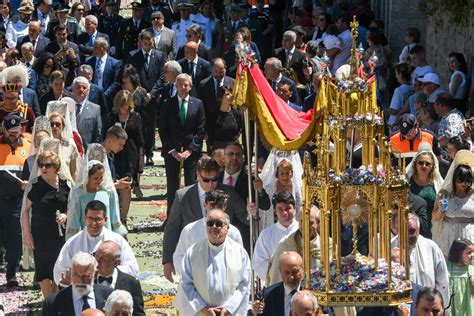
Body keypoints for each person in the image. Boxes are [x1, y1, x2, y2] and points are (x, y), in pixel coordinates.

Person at [162, 155, 250, 282]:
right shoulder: (183, 196)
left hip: (222, 262)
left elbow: (246, 217)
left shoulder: (228, 193)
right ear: (198, 175)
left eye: (214, 180)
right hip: (194, 262)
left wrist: (252, 212)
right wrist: (167, 261)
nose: (211, 184)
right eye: (206, 180)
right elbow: (172, 228)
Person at [173, 205, 251, 315]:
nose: (214, 227)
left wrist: (229, 308)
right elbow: (186, 283)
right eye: (210, 223)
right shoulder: (193, 252)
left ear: (227, 228)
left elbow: (244, 283)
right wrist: (204, 308)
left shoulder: (240, 253)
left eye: (218, 224)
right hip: (201, 312)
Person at [20, 140, 71, 298]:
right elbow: (25, 211)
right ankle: (49, 303)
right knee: (43, 270)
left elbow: (73, 207)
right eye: (41, 164)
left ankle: (54, 299)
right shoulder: (35, 185)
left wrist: (66, 215)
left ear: (56, 166)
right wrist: (27, 235)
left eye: (47, 165)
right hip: (40, 235)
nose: (43, 168)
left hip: (60, 235)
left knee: (59, 268)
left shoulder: (65, 185)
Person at [54, 200, 139, 286]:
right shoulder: (72, 243)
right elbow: (59, 272)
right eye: (90, 218)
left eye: (98, 219)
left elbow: (133, 269)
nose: (94, 223)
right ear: (85, 219)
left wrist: (108, 271)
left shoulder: (118, 240)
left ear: (105, 219)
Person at [158, 73, 205, 216]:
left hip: (191, 153)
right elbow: (163, 129)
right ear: (176, 86)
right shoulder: (168, 103)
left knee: (191, 184)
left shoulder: (198, 104)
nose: (183, 87)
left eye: (186, 85)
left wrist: (190, 150)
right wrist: (172, 151)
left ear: (190, 87)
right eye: (180, 84)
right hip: (172, 152)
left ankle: (191, 216)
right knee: (172, 186)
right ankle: (171, 217)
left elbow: (201, 129)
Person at [173, 191, 243, 275]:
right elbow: (179, 256)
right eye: (212, 206)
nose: (215, 209)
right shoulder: (190, 230)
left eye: (219, 206)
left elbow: (239, 259)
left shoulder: (233, 232)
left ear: (225, 206)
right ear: (205, 205)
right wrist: (192, 276)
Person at [66, 143, 125, 239]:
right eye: (95, 178)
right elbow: (75, 219)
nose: (99, 181)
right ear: (87, 177)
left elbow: (114, 216)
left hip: (106, 238)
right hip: (86, 239)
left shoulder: (108, 191)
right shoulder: (79, 194)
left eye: (101, 178)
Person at [393, 213, 450, 309]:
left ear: (418, 230)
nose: (409, 235)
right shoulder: (387, 247)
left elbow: (442, 281)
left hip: (427, 307)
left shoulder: (431, 247)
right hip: (398, 307)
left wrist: (443, 308)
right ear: (397, 230)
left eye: (412, 231)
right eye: (404, 230)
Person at [0, 113, 31, 287]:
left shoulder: (28, 146)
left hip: (17, 200)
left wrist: (29, 182)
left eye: (15, 130)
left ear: (21, 129)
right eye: (9, 130)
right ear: (3, 129)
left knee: (14, 237)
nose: (12, 134)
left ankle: (11, 273)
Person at [127, 30, 165, 165]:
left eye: (150, 43)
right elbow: (131, 75)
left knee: (150, 126)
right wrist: (142, 93)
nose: (148, 45)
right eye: (146, 43)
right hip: (138, 98)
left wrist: (152, 93)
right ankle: (138, 152)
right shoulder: (133, 55)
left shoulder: (159, 56)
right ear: (140, 42)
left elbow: (162, 76)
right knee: (139, 126)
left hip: (153, 98)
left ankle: (149, 153)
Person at [105, 90, 144, 220]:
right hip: (114, 156)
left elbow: (140, 139)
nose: (124, 107)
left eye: (126, 104)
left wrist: (141, 158)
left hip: (130, 156)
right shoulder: (111, 116)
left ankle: (123, 218)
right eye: (122, 104)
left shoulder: (136, 116)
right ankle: (114, 216)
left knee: (126, 186)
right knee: (115, 185)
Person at [267, 206, 324, 286]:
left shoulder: (328, 245)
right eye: (302, 221)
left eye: (310, 223)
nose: (305, 227)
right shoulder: (285, 245)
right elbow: (275, 278)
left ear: (318, 223)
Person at [43, 252, 114, 316]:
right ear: (71, 273)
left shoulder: (109, 297)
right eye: (76, 275)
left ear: (95, 274)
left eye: (85, 276)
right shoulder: (53, 303)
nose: (80, 280)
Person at [252, 192, 299, 284]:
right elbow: (259, 262)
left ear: (294, 208)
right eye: (280, 209)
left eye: (288, 208)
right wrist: (280, 275)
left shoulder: (303, 230)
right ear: (275, 211)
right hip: (276, 285)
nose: (285, 213)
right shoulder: (266, 234)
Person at [433, 158, 474, 257]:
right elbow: (435, 217)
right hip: (448, 236)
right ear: (454, 179)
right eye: (461, 180)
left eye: (468, 181)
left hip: (470, 236)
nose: (464, 184)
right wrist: (441, 209)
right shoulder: (445, 193)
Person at [95, 241, 144, 316]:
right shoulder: (88, 281)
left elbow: (138, 314)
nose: (97, 262)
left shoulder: (131, 283)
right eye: (96, 256)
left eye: (103, 259)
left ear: (116, 263)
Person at [260, 149, 303, 229]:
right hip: (274, 224)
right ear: (277, 175)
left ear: (292, 174)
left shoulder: (297, 189)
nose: (285, 176)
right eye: (282, 174)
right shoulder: (270, 188)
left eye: (287, 173)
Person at [406, 146, 444, 237]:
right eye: (421, 163)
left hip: (431, 226)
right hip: (410, 225)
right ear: (415, 164)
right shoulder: (407, 182)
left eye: (427, 164)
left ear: (432, 167)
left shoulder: (437, 184)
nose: (424, 166)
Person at [199, 58, 235, 150]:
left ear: (225, 69)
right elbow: (202, 108)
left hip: (228, 125)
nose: (218, 74)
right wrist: (204, 129)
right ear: (212, 69)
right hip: (211, 126)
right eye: (216, 71)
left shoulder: (233, 83)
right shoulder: (203, 84)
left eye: (221, 71)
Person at [253, 251, 303, 316]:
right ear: (280, 271)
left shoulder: (314, 293)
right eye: (287, 272)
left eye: (295, 272)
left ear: (302, 269)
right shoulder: (267, 296)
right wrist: (255, 313)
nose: (291, 277)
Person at [46, 101, 79, 181]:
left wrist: (73, 189)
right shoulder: (45, 144)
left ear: (63, 126)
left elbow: (74, 170)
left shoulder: (70, 145)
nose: (54, 127)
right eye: (52, 124)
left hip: (66, 186)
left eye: (58, 124)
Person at [85, 37, 122, 107]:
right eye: (94, 47)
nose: (94, 49)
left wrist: (104, 95)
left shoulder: (115, 63)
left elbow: (116, 82)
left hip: (108, 99)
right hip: (92, 99)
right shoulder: (89, 62)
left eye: (96, 47)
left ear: (104, 48)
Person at [71, 76, 102, 150]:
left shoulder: (95, 109)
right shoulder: (65, 105)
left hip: (86, 152)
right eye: (78, 87)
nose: (81, 90)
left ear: (88, 91)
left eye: (84, 88)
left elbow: (98, 134)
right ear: (72, 89)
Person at [446, 239, 474, 315]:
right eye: (469, 252)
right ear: (459, 253)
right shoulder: (447, 268)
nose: (472, 255)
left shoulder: (471, 270)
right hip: (451, 305)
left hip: (467, 308)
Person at [388, 63, 412, 131]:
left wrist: (388, 110)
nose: (396, 76)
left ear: (400, 75)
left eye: (396, 74)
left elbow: (394, 110)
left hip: (395, 123)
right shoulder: (413, 88)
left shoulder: (399, 90)